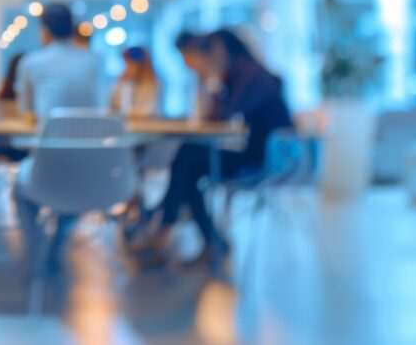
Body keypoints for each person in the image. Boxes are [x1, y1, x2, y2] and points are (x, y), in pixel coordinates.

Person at [143, 29, 293, 265]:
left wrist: (209, 77)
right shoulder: (240, 74)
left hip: (267, 160)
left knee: (188, 157)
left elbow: (223, 116)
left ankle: (163, 226)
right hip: (256, 153)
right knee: (189, 166)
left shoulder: (252, 75)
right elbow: (213, 117)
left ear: (220, 49)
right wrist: (207, 80)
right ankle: (194, 235)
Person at [13, 3, 104, 269]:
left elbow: (26, 111)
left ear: (44, 30)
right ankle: (61, 233)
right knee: (72, 191)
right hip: (94, 165)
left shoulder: (32, 62)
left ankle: (40, 247)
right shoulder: (95, 61)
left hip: (49, 164)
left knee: (20, 191)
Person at [109, 46, 161, 119]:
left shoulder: (153, 84)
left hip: (148, 127)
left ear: (140, 65)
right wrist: (120, 84)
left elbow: (148, 111)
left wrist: (125, 112)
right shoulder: (125, 83)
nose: (126, 68)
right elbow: (113, 107)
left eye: (129, 64)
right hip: (128, 126)